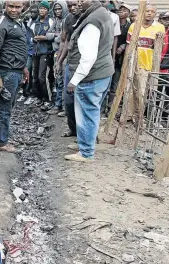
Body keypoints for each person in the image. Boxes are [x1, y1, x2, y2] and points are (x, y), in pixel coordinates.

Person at [65, 0, 114, 162]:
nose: (78, 2)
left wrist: (75, 80)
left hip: (92, 74)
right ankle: (84, 143)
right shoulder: (102, 14)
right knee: (90, 111)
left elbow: (88, 56)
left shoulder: (93, 21)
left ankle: (86, 152)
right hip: (102, 71)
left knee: (87, 112)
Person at [0, 1, 29, 153]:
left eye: (17, 7)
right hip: (7, 73)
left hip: (16, 71)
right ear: (5, 6)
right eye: (11, 6)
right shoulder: (2, 23)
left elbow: (16, 47)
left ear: (22, 7)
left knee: (8, 106)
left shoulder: (16, 22)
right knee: (4, 108)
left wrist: (23, 67)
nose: (14, 10)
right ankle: (0, 142)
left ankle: (3, 137)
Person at [126, 4, 164, 119]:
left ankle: (139, 116)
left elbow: (160, 48)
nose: (149, 13)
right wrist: (127, 62)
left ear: (155, 14)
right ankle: (128, 115)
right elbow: (129, 45)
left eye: (152, 11)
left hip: (148, 64)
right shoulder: (134, 26)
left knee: (142, 92)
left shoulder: (159, 27)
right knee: (130, 90)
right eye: (147, 11)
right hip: (134, 63)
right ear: (143, 12)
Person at [55, 0, 81, 137]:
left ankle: (83, 134)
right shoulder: (68, 19)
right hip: (70, 64)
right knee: (68, 100)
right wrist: (59, 61)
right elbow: (64, 42)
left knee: (82, 100)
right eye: (70, 5)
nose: (72, 8)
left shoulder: (87, 18)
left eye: (75, 5)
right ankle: (73, 129)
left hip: (84, 65)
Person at [107, 3, 131, 111]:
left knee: (115, 84)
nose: (121, 11)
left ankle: (111, 107)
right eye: (120, 9)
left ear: (128, 13)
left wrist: (124, 46)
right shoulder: (112, 22)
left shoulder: (130, 26)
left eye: (124, 10)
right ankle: (102, 107)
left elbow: (133, 40)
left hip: (120, 59)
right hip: (109, 55)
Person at [46, 1, 68, 115]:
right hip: (56, 52)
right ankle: (58, 105)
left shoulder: (67, 20)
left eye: (60, 9)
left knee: (64, 81)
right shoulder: (56, 21)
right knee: (57, 79)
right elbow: (47, 34)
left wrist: (55, 36)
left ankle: (64, 107)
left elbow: (62, 39)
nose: (58, 11)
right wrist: (56, 35)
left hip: (65, 54)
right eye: (56, 9)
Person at [32, 0, 54, 110]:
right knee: (35, 76)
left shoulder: (50, 21)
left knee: (43, 77)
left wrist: (44, 38)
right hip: (36, 51)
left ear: (48, 10)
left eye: (44, 8)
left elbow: (54, 35)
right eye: (41, 8)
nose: (42, 10)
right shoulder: (36, 21)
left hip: (45, 52)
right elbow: (31, 34)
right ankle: (39, 97)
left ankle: (48, 99)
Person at [17, 4, 38, 104]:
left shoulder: (37, 23)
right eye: (32, 12)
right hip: (27, 50)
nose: (32, 14)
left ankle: (30, 94)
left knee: (32, 74)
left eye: (35, 12)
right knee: (26, 72)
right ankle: (25, 93)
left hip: (34, 51)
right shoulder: (29, 21)